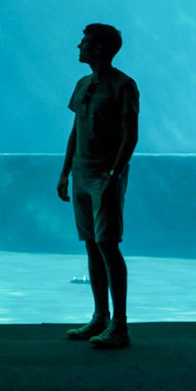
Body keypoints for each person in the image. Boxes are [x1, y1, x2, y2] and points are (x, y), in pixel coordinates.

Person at [57, 23, 139, 349]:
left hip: (105, 176)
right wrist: (65, 172)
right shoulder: (82, 84)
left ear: (99, 49)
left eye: (85, 42)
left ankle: (120, 324)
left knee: (108, 245)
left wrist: (114, 176)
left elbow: (130, 136)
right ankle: (100, 316)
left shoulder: (124, 86)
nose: (79, 46)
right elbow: (76, 131)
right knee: (91, 244)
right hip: (80, 174)